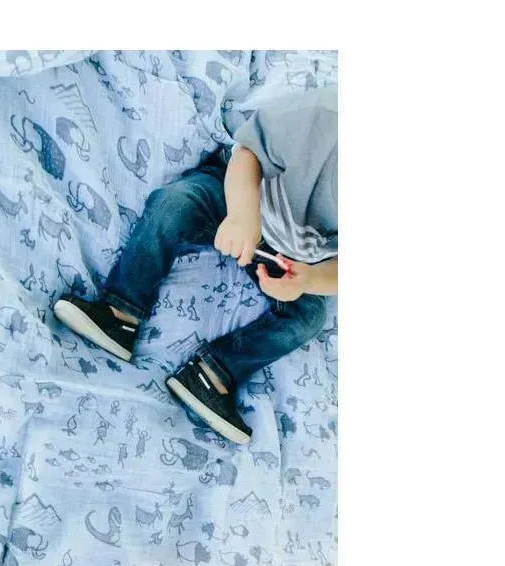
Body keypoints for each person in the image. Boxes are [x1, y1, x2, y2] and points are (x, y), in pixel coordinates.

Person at [53, 86, 338, 445]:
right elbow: (249, 152)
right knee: (175, 204)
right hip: (238, 198)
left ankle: (213, 374)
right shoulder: (324, 117)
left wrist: (308, 279)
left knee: (309, 317)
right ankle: (120, 310)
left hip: (291, 258)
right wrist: (242, 216)